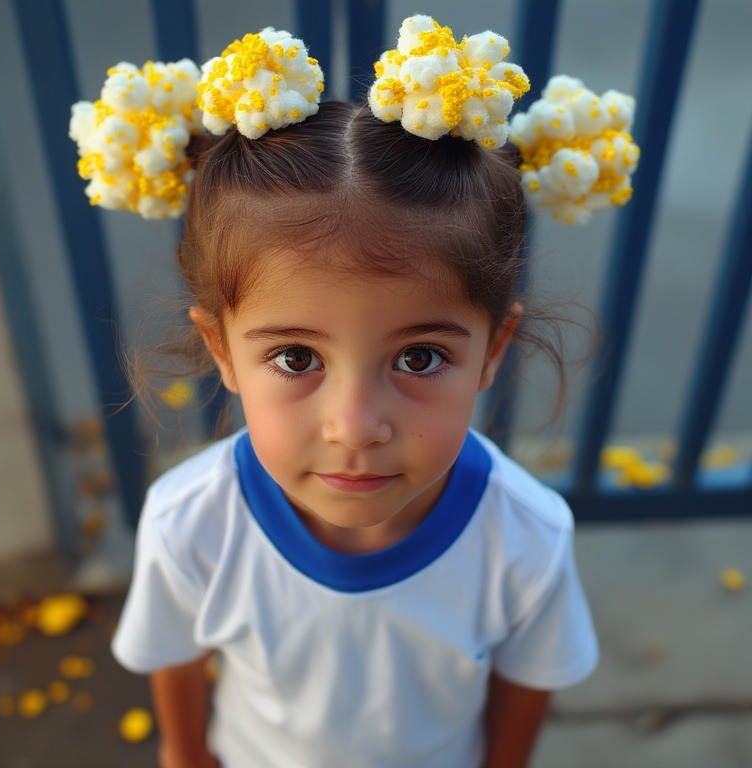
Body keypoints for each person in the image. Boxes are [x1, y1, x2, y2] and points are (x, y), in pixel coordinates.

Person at [68, 15, 641, 768]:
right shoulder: (191, 524)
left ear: (493, 351)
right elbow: (173, 658)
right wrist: (184, 755)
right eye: (296, 358)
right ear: (223, 352)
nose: (356, 426)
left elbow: (526, 687)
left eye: (420, 358)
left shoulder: (525, 538)